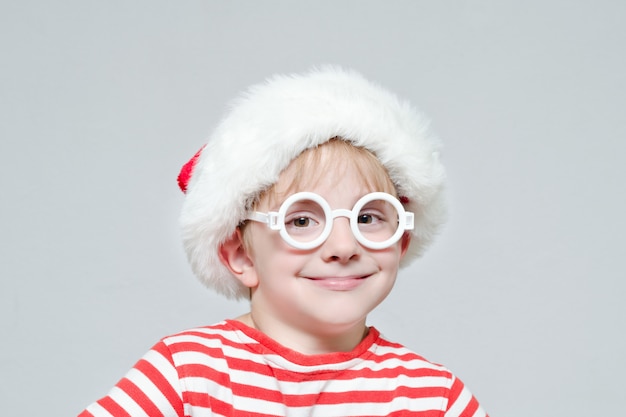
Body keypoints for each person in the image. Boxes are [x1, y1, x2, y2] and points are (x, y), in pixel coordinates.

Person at [79, 67, 488, 416]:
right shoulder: (186, 374)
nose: (343, 246)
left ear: (401, 240)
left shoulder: (433, 397)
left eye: (368, 216)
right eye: (303, 219)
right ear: (241, 255)